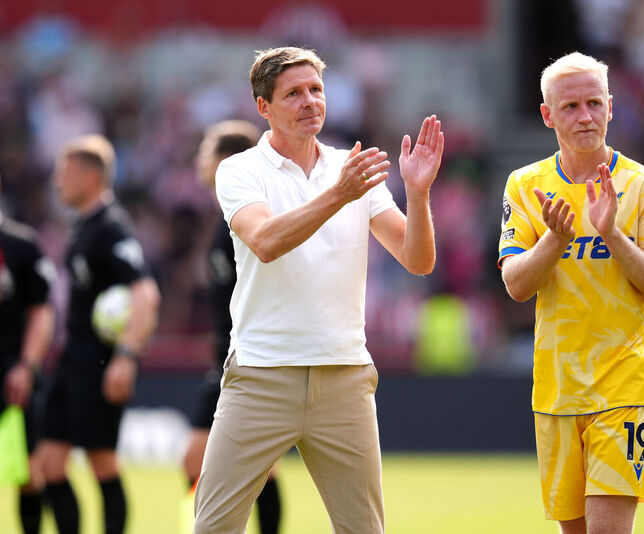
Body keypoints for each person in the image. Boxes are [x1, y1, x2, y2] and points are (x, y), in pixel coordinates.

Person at [192, 46, 443, 534]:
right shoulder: (240, 170)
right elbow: (265, 241)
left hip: (345, 377)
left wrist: (418, 192)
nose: (310, 102)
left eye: (316, 90)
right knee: (213, 528)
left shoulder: (351, 171)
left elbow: (418, 260)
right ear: (263, 108)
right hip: (261, 376)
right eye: (293, 94)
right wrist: (338, 194)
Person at [498, 52, 644, 534]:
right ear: (547, 115)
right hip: (557, 391)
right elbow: (516, 284)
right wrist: (555, 240)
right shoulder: (525, 186)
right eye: (572, 106)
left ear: (611, 107)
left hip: (624, 387)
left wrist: (613, 236)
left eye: (594, 103)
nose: (586, 117)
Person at [38, 134, 161, 534]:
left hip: (100, 360)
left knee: (101, 461)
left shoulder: (112, 228)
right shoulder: (82, 228)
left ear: (91, 177)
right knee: (48, 464)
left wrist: (126, 357)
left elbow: (145, 292)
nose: (57, 181)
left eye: (65, 172)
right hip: (72, 357)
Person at [182, 120, 281, 533]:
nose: (199, 159)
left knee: (198, 458)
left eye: (206, 150)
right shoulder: (224, 219)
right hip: (229, 354)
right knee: (260, 469)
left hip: (249, 356)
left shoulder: (247, 220)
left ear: (227, 160)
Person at [0, 175, 56, 534]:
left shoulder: (19, 244)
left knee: (26, 473)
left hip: (9, 378)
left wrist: (26, 366)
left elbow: (42, 312)